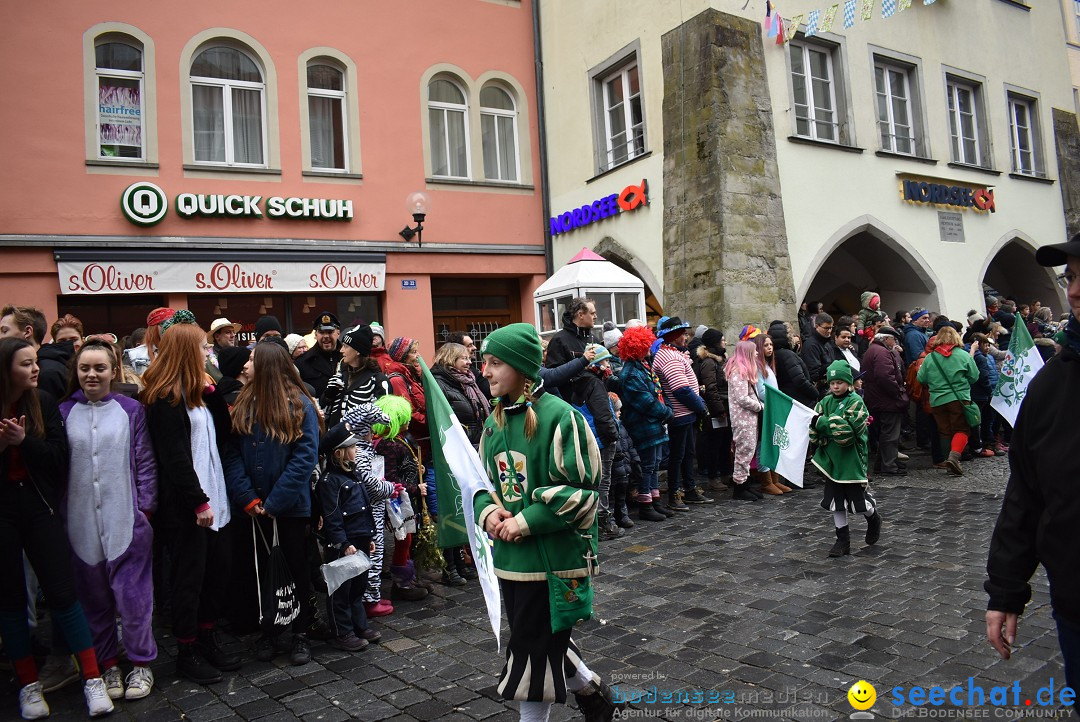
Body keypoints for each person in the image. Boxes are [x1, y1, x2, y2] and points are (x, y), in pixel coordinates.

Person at [474, 323, 623, 722]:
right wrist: (489, 512)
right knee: (539, 636)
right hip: (511, 560)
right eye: (483, 362)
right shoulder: (495, 421)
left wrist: (525, 521)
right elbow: (481, 483)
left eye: (495, 363)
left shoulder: (561, 417)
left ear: (522, 368)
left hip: (551, 560)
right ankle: (593, 692)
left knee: (533, 649)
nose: (484, 371)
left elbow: (583, 491)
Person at [0, 337, 115, 719]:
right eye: (26, 364)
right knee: (12, 601)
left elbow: (57, 460)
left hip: (40, 509)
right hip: (4, 513)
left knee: (63, 593)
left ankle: (92, 679)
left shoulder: (42, 403)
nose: (36, 369)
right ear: (6, 370)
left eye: (35, 361)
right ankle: (29, 686)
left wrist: (23, 442)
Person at [986, 235, 1080, 695]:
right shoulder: (1051, 384)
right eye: (1074, 277)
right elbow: (1026, 491)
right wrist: (1005, 588)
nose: (1075, 290)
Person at [141, 313, 239, 685]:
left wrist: (212, 395)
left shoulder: (198, 394)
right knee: (189, 579)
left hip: (217, 497)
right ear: (186, 351)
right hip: (190, 507)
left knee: (217, 573)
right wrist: (198, 502)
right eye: (202, 346)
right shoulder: (165, 399)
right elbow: (175, 458)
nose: (208, 351)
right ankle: (187, 649)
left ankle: (207, 635)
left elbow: (224, 435)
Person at [59, 340, 158, 702]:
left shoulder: (131, 410)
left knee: (133, 599)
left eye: (100, 368)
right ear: (77, 371)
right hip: (80, 523)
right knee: (94, 600)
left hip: (126, 521)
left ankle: (141, 662)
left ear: (113, 371)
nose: (92, 374)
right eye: (85, 368)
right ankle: (107, 663)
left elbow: (144, 461)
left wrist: (143, 511)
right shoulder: (64, 412)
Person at [224, 340, 322, 666]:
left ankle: (300, 633)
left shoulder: (299, 406)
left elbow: (304, 458)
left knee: (296, 569)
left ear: (266, 365)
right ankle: (270, 629)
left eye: (252, 359)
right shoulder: (243, 404)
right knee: (261, 572)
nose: (246, 365)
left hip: (290, 509)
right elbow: (233, 456)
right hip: (254, 509)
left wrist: (276, 501)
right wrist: (248, 498)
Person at [317, 417, 392, 652]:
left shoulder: (355, 474)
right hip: (344, 544)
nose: (356, 449)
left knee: (358, 586)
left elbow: (366, 506)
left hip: (360, 539)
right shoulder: (330, 481)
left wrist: (369, 537)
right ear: (339, 453)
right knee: (341, 589)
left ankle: (360, 625)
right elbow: (332, 516)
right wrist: (342, 543)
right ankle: (343, 631)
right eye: (351, 447)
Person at [810, 361, 881, 557]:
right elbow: (814, 428)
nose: (835, 386)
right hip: (832, 460)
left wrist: (822, 422)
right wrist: (819, 426)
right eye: (832, 383)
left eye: (840, 382)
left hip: (851, 460)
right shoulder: (824, 402)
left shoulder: (856, 401)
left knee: (858, 503)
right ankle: (842, 540)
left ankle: (873, 516)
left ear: (848, 383)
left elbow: (846, 433)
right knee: (835, 501)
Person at [653, 316, 712, 510]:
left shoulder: (672, 353)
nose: (686, 337)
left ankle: (689, 489)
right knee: (678, 456)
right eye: (683, 334)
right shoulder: (669, 356)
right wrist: (701, 406)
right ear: (675, 335)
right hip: (679, 414)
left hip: (684, 413)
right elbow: (681, 389)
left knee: (687, 454)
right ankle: (676, 493)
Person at [616, 326, 672, 522]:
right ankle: (645, 505)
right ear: (637, 348)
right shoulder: (631, 373)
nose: (650, 347)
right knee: (648, 465)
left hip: (653, 423)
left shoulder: (642, 366)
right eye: (646, 345)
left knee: (655, 464)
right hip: (643, 425)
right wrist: (666, 412)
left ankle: (655, 501)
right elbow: (645, 401)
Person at [570, 344, 622, 540]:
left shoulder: (579, 381)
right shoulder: (594, 383)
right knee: (603, 482)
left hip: (590, 438)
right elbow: (603, 415)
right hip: (601, 439)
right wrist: (613, 436)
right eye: (606, 361)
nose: (608, 364)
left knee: (593, 481)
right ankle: (602, 522)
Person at [916, 325, 979, 476]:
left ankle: (947, 461)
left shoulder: (930, 357)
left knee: (944, 431)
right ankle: (954, 457)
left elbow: (921, 379)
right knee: (962, 429)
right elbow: (974, 376)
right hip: (959, 398)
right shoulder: (963, 355)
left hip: (937, 401)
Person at [861, 327, 908, 477]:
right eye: (893, 339)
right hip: (886, 400)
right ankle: (889, 466)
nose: (894, 342)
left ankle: (884, 464)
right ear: (886, 339)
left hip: (878, 399)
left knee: (885, 433)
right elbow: (885, 377)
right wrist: (898, 392)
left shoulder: (874, 350)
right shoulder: (881, 352)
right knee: (890, 434)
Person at [725, 341, 765, 502]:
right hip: (743, 419)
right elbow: (742, 398)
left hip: (748, 418)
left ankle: (745, 483)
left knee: (748, 451)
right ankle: (739, 486)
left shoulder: (743, 370)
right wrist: (760, 406)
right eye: (754, 351)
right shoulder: (738, 372)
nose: (757, 354)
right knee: (743, 451)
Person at [694, 329, 733, 491]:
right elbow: (711, 388)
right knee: (714, 444)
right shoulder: (709, 363)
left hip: (726, 406)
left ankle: (725, 474)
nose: (724, 342)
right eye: (722, 340)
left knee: (725, 443)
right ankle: (713, 477)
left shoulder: (721, 360)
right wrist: (719, 410)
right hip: (717, 410)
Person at [545, 297, 597, 399]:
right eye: (592, 313)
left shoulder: (594, 339)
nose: (595, 316)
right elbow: (554, 377)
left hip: (596, 402)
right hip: (571, 404)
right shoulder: (559, 340)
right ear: (581, 315)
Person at [767, 321, 819, 409]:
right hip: (800, 400)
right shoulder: (788, 355)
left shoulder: (773, 355)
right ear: (787, 337)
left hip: (788, 400)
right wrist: (815, 393)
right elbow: (800, 379)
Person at [295, 312, 341, 397]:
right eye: (322, 332)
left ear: (338, 333)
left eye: (330, 332)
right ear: (316, 334)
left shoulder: (348, 358)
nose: (326, 336)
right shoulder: (302, 362)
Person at [124, 308, 175, 376]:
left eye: (174, 324)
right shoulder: (132, 355)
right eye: (164, 323)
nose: (170, 328)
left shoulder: (184, 352)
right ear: (153, 328)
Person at [800, 312, 837, 390]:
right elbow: (814, 374)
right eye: (826, 328)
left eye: (831, 327)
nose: (830, 331)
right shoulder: (811, 345)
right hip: (821, 388)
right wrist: (832, 365)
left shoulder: (827, 343)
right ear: (817, 326)